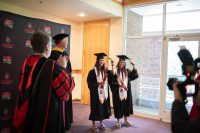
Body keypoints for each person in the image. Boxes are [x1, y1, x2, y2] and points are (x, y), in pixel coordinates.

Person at [13, 31, 75, 133]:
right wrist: (63, 68)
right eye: (50, 44)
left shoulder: (27, 61)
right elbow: (67, 89)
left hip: (29, 113)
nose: (51, 46)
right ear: (47, 47)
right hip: (47, 116)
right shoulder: (51, 65)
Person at [49, 33, 73, 130]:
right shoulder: (54, 53)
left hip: (66, 81)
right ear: (60, 41)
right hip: (59, 84)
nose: (67, 42)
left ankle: (67, 122)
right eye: (66, 40)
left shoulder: (64, 52)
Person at [110, 55, 139, 128]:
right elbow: (112, 80)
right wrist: (119, 85)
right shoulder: (115, 70)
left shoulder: (127, 71)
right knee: (118, 106)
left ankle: (125, 120)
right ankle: (118, 122)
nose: (122, 63)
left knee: (126, 106)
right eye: (121, 62)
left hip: (126, 92)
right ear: (118, 62)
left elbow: (134, 75)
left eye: (123, 62)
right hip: (117, 92)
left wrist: (134, 65)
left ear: (125, 63)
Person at [87, 53, 112, 132]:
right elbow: (89, 82)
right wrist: (98, 83)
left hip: (104, 93)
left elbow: (112, 77)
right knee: (95, 108)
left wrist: (113, 66)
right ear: (97, 60)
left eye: (103, 60)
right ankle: (93, 125)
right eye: (100, 60)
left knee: (103, 108)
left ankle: (101, 123)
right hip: (95, 94)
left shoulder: (105, 71)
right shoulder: (92, 71)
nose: (102, 62)